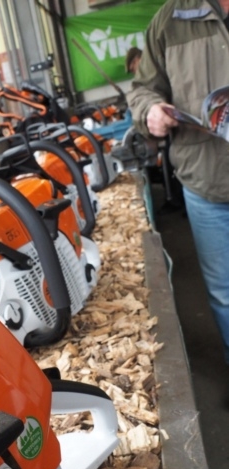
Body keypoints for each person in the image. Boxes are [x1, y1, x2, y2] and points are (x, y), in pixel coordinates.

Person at [127, 0, 229, 365]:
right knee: (225, 292)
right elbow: (142, 90)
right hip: (206, 182)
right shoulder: (169, 21)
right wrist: (150, 110)